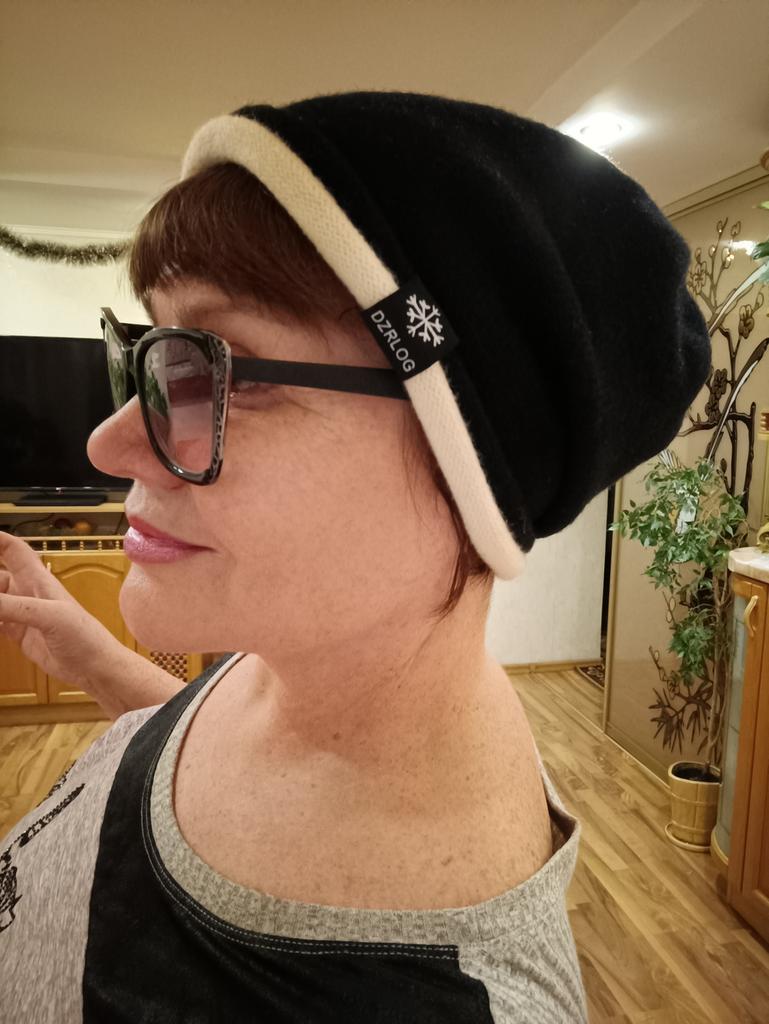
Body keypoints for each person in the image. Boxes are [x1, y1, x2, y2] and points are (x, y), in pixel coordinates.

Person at [0, 90, 711, 1022]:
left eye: (222, 372)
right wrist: (92, 658)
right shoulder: (318, 664)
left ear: (475, 470)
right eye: (156, 356)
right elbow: (217, 769)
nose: (109, 442)